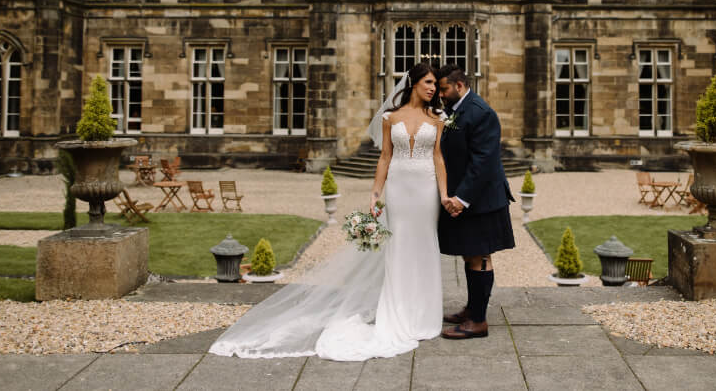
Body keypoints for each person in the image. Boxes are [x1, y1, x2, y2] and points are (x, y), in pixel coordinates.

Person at [209, 62, 448, 361]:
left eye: (435, 85)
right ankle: (398, 312)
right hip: (399, 189)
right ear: (412, 83)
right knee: (397, 249)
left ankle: (424, 315)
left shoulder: (438, 117)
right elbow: (385, 157)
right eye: (428, 82)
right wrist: (375, 194)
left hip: (425, 190)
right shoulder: (390, 117)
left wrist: (444, 194)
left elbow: (438, 157)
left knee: (425, 247)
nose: (432, 88)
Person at [436, 63, 515, 339]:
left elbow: (483, 162)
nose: (440, 94)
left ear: (459, 86)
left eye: (444, 88)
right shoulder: (454, 111)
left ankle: (478, 321)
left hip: (483, 200)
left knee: (480, 255)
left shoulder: (481, 113)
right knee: (471, 253)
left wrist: (461, 198)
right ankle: (472, 309)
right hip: (469, 197)